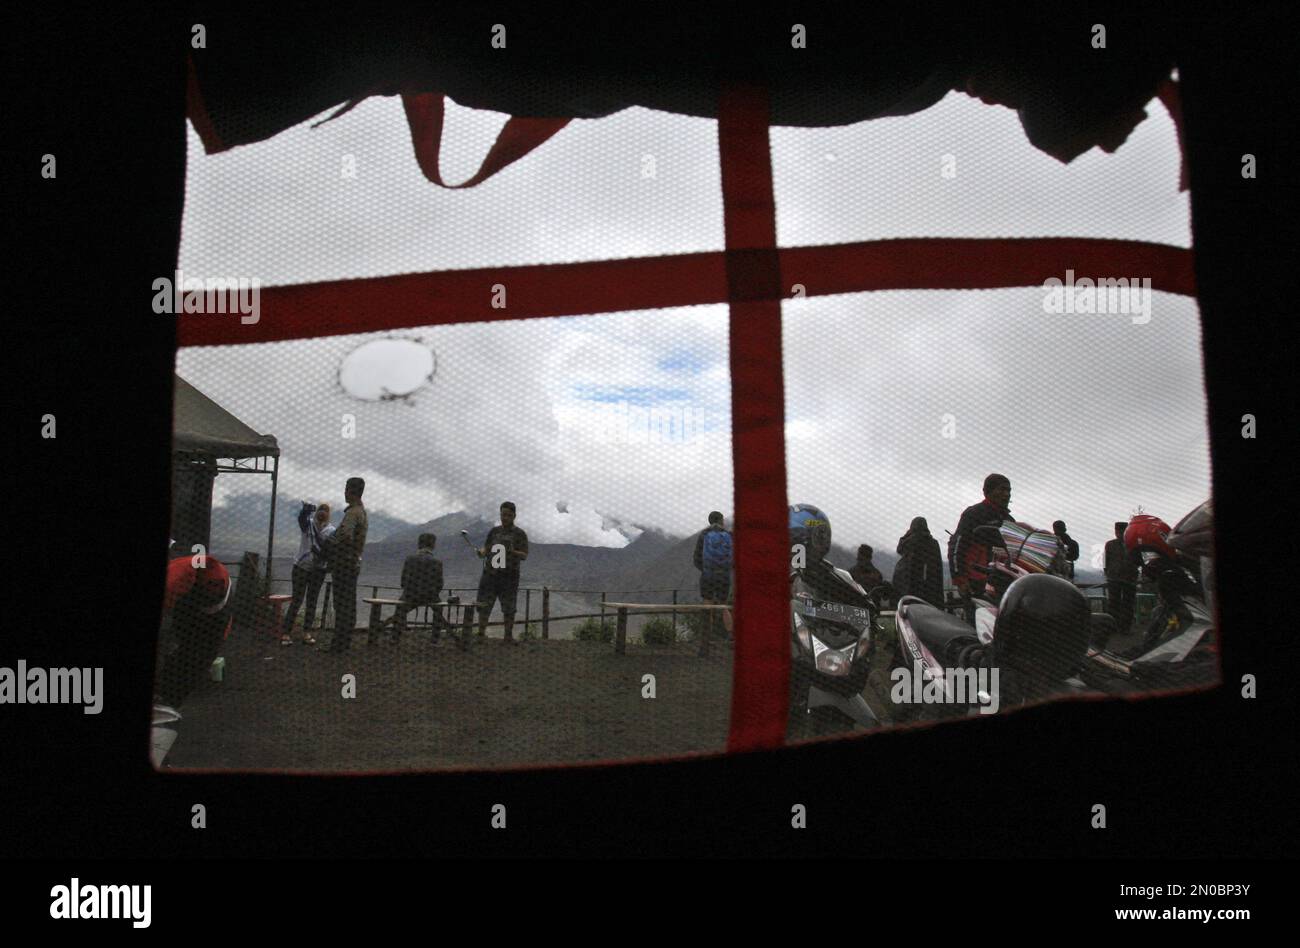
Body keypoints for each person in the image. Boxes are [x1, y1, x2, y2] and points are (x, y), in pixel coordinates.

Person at [948, 473, 1013, 622]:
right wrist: (960, 579)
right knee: (977, 626)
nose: (1006, 494)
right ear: (988, 491)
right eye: (1002, 489)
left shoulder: (1009, 521)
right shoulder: (974, 513)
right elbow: (956, 545)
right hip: (974, 582)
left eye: (1009, 491)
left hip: (1003, 584)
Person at [323, 477, 368, 653]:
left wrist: (328, 546)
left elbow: (345, 536)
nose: (344, 492)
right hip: (352, 562)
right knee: (348, 603)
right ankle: (343, 642)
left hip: (344, 563)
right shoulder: (361, 512)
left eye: (346, 488)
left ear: (351, 491)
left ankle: (338, 644)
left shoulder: (352, 513)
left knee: (341, 604)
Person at [476, 501, 529, 644]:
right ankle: (480, 634)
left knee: (509, 607)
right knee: (484, 605)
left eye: (508, 515)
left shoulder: (519, 534)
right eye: (503, 514)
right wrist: (482, 552)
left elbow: (524, 555)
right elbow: (486, 548)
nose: (505, 518)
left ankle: (508, 637)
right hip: (490, 574)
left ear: (514, 516)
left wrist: (512, 552)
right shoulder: (494, 532)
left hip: (509, 576)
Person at [282, 501, 333, 645]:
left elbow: (331, 550)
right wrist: (305, 511)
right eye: (321, 509)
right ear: (316, 512)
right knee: (297, 601)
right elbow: (302, 520)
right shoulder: (308, 524)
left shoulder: (331, 531)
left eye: (326, 510)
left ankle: (307, 632)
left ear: (329, 514)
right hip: (301, 567)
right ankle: (286, 633)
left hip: (318, 570)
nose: (323, 512)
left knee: (312, 601)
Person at [393, 533, 444, 644]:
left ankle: (395, 637)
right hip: (430, 597)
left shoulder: (409, 559)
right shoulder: (437, 562)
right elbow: (440, 584)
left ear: (419, 544)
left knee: (399, 610)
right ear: (433, 545)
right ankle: (435, 639)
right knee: (439, 610)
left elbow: (403, 582)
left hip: (410, 596)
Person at [692, 511, 734, 640]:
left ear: (709, 521)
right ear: (721, 520)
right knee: (724, 606)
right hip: (724, 576)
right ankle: (731, 636)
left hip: (708, 575)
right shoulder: (729, 535)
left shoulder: (704, 535)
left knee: (707, 606)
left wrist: (705, 569)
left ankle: (706, 638)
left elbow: (697, 558)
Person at [895, 516, 944, 607]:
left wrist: (907, 535)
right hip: (931, 586)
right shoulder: (933, 543)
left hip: (910, 586)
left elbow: (899, 549)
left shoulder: (908, 541)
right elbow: (937, 566)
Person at [1104, 520, 1138, 636]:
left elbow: (1138, 560)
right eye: (1117, 531)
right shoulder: (1110, 544)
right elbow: (1106, 562)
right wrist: (1108, 574)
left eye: (1120, 531)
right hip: (1114, 578)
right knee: (1114, 604)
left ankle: (1125, 629)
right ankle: (1112, 628)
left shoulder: (1133, 544)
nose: (1118, 533)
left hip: (1129, 578)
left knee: (1128, 604)